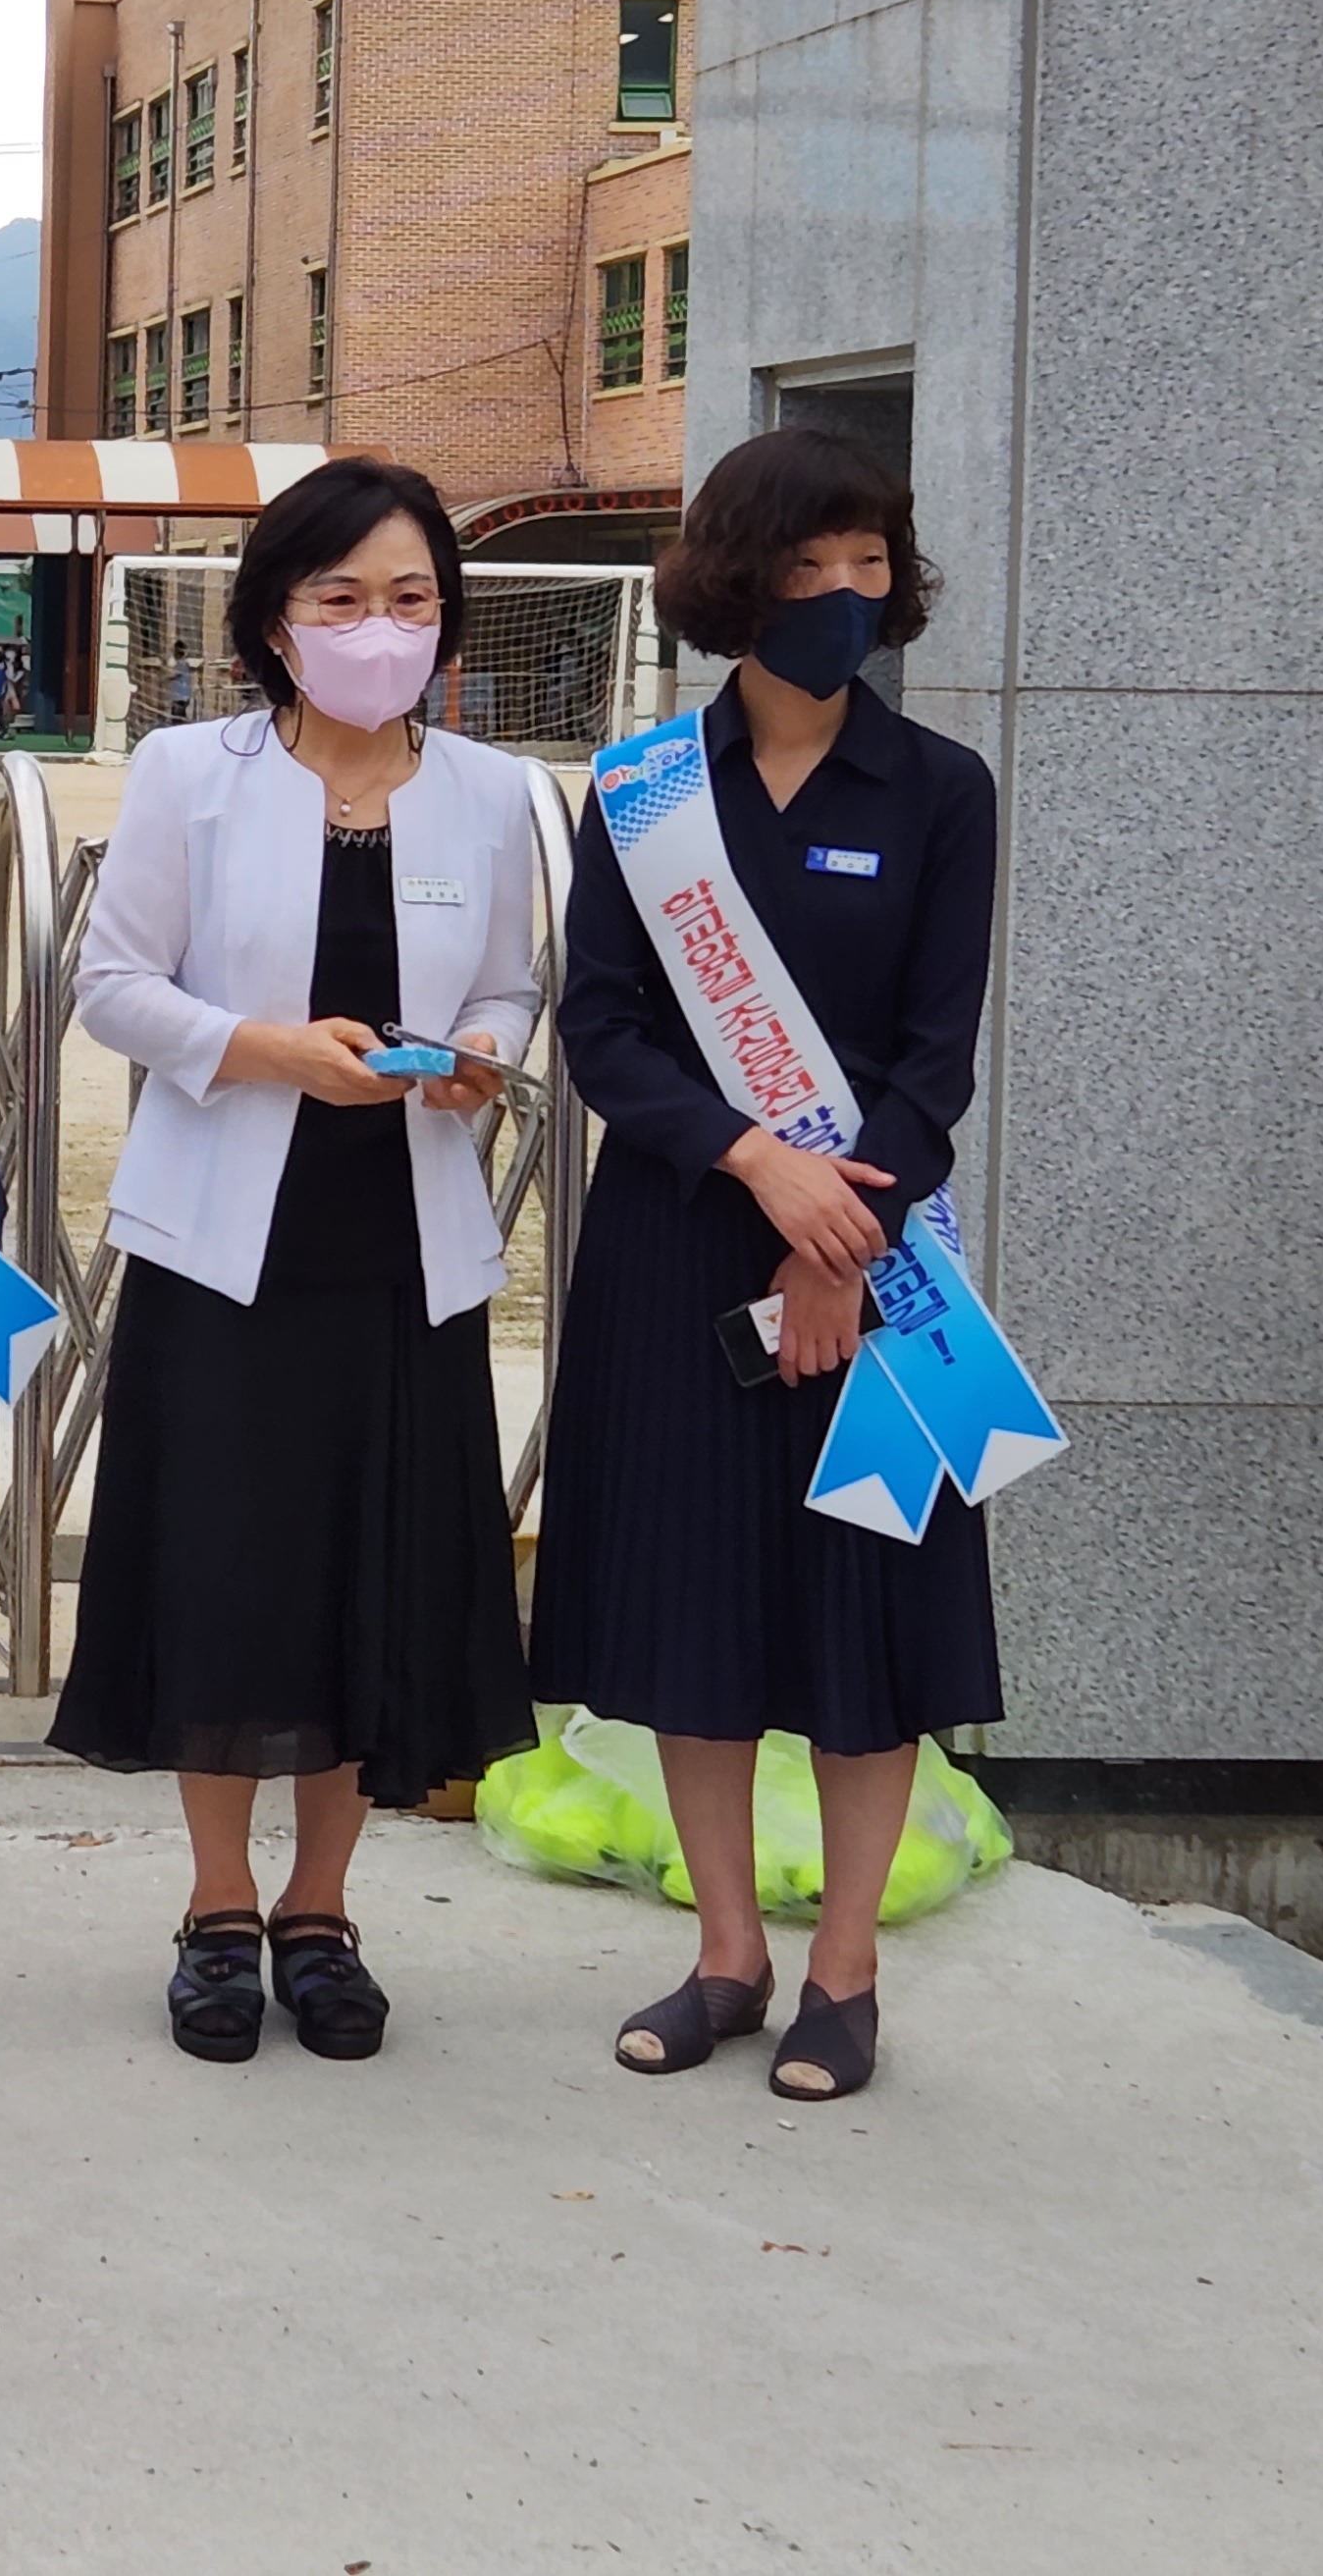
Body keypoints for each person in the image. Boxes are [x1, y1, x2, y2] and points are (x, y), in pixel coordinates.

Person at [532, 424, 1001, 2106]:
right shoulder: (649, 789)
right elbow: (605, 1025)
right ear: (737, 580)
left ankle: (846, 1971)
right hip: (680, 1244)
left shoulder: (944, 793)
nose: (843, 593)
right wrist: (755, 1164)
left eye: (870, 561)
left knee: (863, 1617)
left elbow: (937, 1056)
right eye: (808, 565)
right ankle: (728, 1951)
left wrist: (840, 1240)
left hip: (881, 1260)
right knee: (695, 1609)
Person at [55, 457, 541, 2061]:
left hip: (404, 1251)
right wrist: (265, 1048)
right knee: (225, 1573)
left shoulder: (488, 793)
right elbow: (109, 981)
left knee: (367, 1580)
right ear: (277, 620)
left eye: (409, 599)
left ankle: (322, 1910)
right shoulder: (194, 775)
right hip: (226, 1243)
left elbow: (523, 993)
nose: (377, 627)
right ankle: (213, 1906)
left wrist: (476, 1045)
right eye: (341, 597)